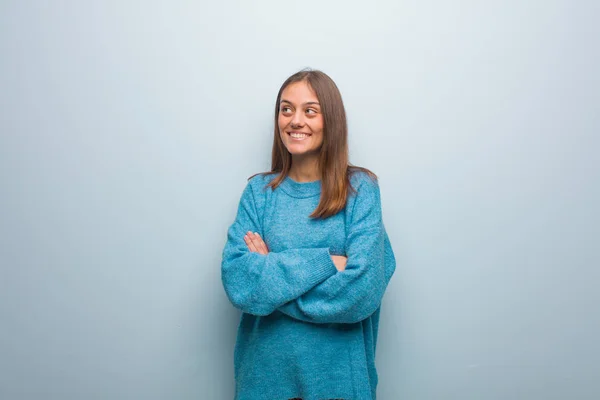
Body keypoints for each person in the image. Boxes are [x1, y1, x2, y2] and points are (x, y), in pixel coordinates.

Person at [221, 68, 396, 400]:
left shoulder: (361, 191)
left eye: (309, 111)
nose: (295, 120)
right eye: (286, 109)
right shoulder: (259, 193)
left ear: (330, 121)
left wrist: (271, 279)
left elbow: (361, 293)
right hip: (263, 383)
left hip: (340, 384)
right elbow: (239, 282)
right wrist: (326, 262)